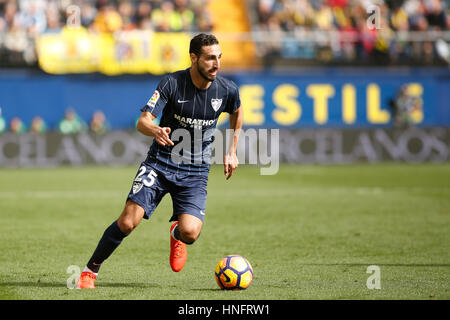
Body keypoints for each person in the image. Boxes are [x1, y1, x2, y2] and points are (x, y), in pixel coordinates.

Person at [76, 33, 243, 289]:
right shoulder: (171, 83)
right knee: (127, 222)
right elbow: (143, 121)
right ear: (194, 58)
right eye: (210, 58)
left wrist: (231, 149)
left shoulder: (227, 89)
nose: (216, 64)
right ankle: (89, 271)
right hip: (160, 163)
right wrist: (155, 130)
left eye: (219, 57)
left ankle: (176, 234)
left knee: (190, 232)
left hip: (195, 171)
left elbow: (237, 110)